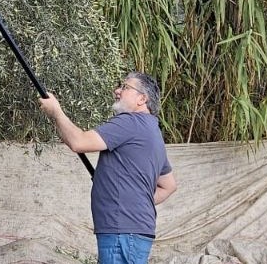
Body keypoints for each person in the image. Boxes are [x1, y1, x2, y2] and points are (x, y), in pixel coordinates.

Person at [39, 72, 176, 264]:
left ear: (142, 99)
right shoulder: (153, 131)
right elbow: (168, 185)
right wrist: (134, 200)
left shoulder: (130, 122)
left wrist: (56, 112)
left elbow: (78, 142)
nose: (117, 91)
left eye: (125, 87)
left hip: (121, 232)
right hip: (132, 231)